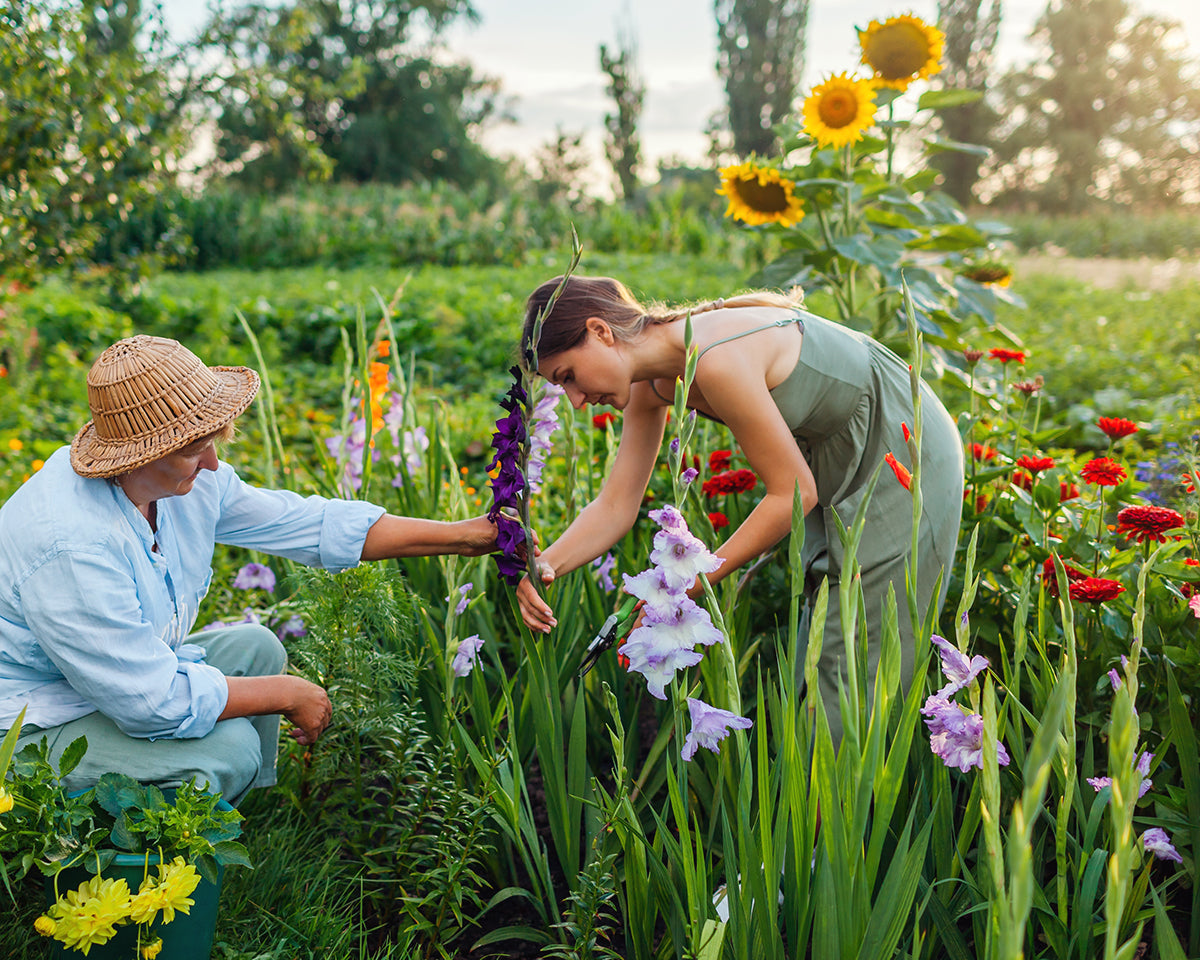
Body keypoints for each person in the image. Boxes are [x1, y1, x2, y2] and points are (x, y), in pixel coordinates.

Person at [0, 335, 498, 805]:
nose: (214, 463)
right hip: (29, 719)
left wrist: (465, 535)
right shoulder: (70, 544)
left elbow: (307, 524)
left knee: (257, 648)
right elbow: (149, 701)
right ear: (139, 456)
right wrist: (285, 693)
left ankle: (223, 820)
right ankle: (150, 854)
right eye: (197, 449)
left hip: (92, 681)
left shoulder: (183, 484)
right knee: (230, 749)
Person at [516, 276, 964, 743]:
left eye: (567, 376)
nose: (575, 399)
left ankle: (841, 808)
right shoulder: (651, 383)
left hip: (901, 447)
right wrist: (543, 567)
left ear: (600, 331)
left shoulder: (715, 358)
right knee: (822, 651)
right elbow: (615, 505)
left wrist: (691, 583)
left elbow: (791, 493)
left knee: (853, 667)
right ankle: (811, 805)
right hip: (835, 453)